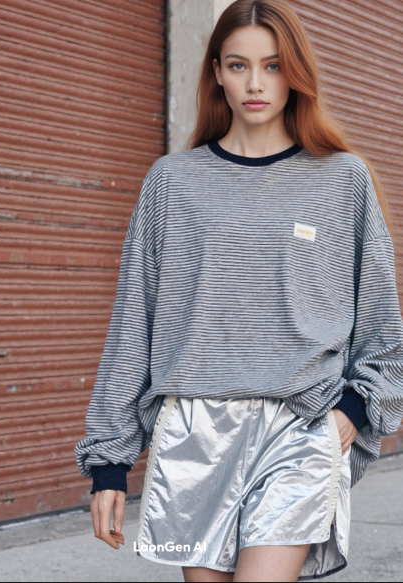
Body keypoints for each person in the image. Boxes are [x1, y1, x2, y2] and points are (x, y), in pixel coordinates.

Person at [74, 0, 403, 581]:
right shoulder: (172, 183)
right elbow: (133, 324)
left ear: (295, 73)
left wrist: (352, 413)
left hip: (301, 426)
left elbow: (381, 326)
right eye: (238, 65)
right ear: (217, 73)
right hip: (193, 432)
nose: (255, 83)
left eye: (273, 66)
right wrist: (109, 461)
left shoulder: (341, 178)